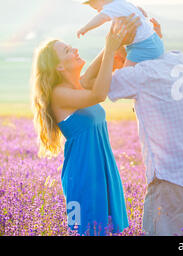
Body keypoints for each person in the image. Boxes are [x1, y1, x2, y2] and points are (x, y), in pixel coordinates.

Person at [82, 17, 183, 236]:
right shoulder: (180, 60)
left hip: (172, 179)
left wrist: (109, 48)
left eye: (120, 58)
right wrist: (151, 37)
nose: (118, 64)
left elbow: (88, 83)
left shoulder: (140, 75)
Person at [31, 16, 140, 235]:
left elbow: (97, 72)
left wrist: (117, 37)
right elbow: (99, 94)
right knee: (87, 231)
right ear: (59, 67)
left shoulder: (80, 84)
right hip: (83, 175)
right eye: (68, 51)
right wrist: (109, 49)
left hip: (104, 171)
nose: (75, 50)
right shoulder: (58, 95)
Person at [77, 0, 164, 67]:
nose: (99, 11)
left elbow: (100, 18)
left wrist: (85, 28)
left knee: (127, 72)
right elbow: (142, 14)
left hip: (142, 46)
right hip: (154, 40)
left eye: (97, 8)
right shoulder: (123, 3)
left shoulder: (112, 6)